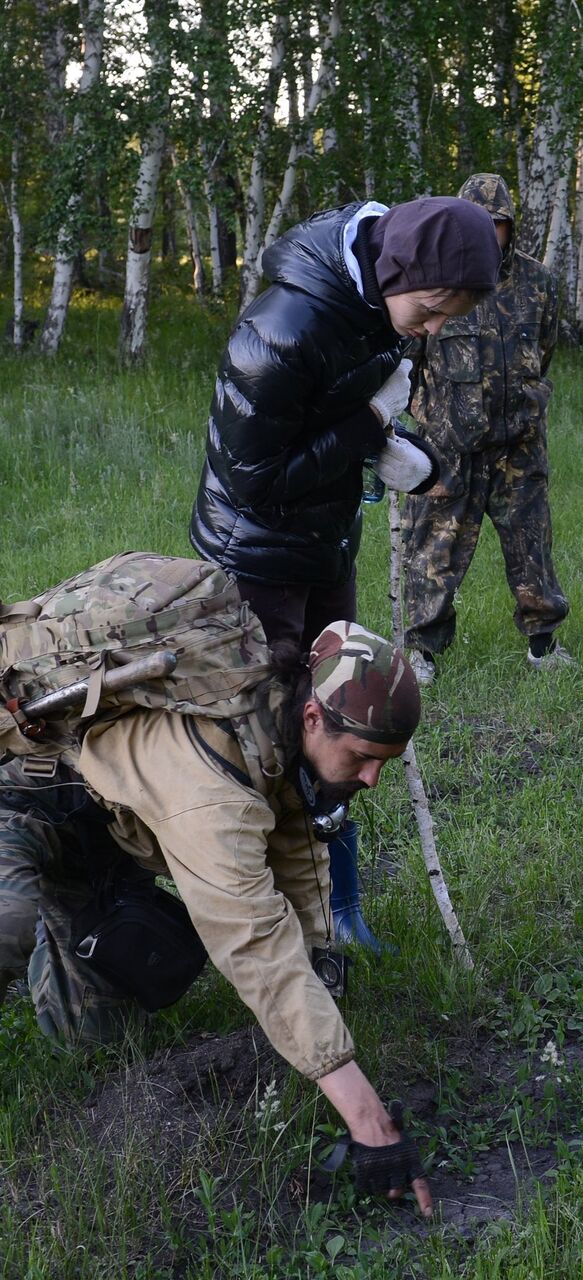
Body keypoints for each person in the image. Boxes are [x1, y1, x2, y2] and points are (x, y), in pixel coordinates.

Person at [0, 617, 435, 1212]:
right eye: (362, 757)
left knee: (95, 1035)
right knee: (8, 921)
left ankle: (58, 926)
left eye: (385, 762)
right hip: (22, 802)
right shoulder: (214, 792)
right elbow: (254, 944)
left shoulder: (279, 716)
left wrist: (320, 962)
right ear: (315, 718)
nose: (373, 778)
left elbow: (294, 843)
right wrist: (368, 1119)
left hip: (104, 826)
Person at [189, 194, 501, 945]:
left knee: (345, 716)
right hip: (254, 556)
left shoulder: (382, 310)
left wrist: (399, 448)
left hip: (326, 541)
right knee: (263, 735)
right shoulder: (281, 331)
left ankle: (339, 906)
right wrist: (366, 428)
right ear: (393, 268)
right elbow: (254, 478)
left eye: (446, 318)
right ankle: (264, 923)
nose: (431, 329)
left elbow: (358, 412)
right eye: (429, 310)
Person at [400, 173, 571, 685]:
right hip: (450, 447)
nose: (490, 232)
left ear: (510, 226)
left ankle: (543, 645)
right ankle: (422, 651)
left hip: (517, 444)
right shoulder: (433, 279)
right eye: (481, 223)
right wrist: (430, 417)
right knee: (434, 549)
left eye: (499, 223)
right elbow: (406, 359)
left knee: (531, 545)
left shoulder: (539, 283)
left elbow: (544, 351)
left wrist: (525, 402)